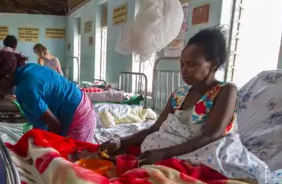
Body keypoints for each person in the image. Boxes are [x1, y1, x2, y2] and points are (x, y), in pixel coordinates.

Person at [99, 27, 237, 164]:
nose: (184, 70)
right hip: (164, 150)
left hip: (198, 154)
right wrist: (119, 141)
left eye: (191, 64)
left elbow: (211, 136)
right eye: (182, 64)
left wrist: (164, 153)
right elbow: (155, 128)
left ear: (212, 64)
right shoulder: (180, 94)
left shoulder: (225, 91)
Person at [0, 50, 96, 142]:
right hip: (82, 105)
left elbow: (55, 125)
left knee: (72, 162)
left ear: (5, 78)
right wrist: (33, 140)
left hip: (79, 118)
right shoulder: (28, 69)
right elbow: (43, 119)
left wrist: (44, 147)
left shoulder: (26, 89)